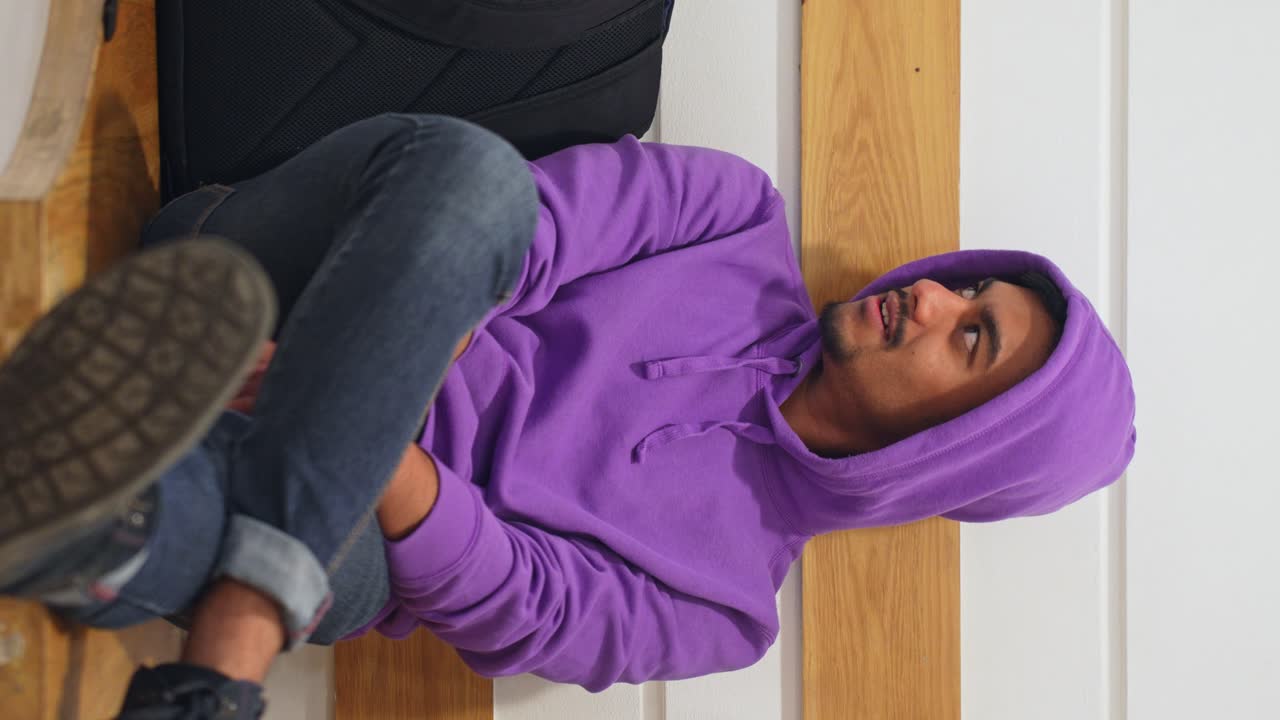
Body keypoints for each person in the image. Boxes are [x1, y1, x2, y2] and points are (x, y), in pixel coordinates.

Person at [0, 114, 1135, 718]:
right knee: (472, 176)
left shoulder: (724, 610)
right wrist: (360, 367)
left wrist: (375, 450)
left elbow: (512, 603)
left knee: (341, 559)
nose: (929, 298)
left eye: (966, 340)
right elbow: (518, 226)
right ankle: (223, 658)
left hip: (362, 527)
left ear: (949, 455)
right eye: (966, 288)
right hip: (280, 278)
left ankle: (81, 505)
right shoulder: (734, 215)